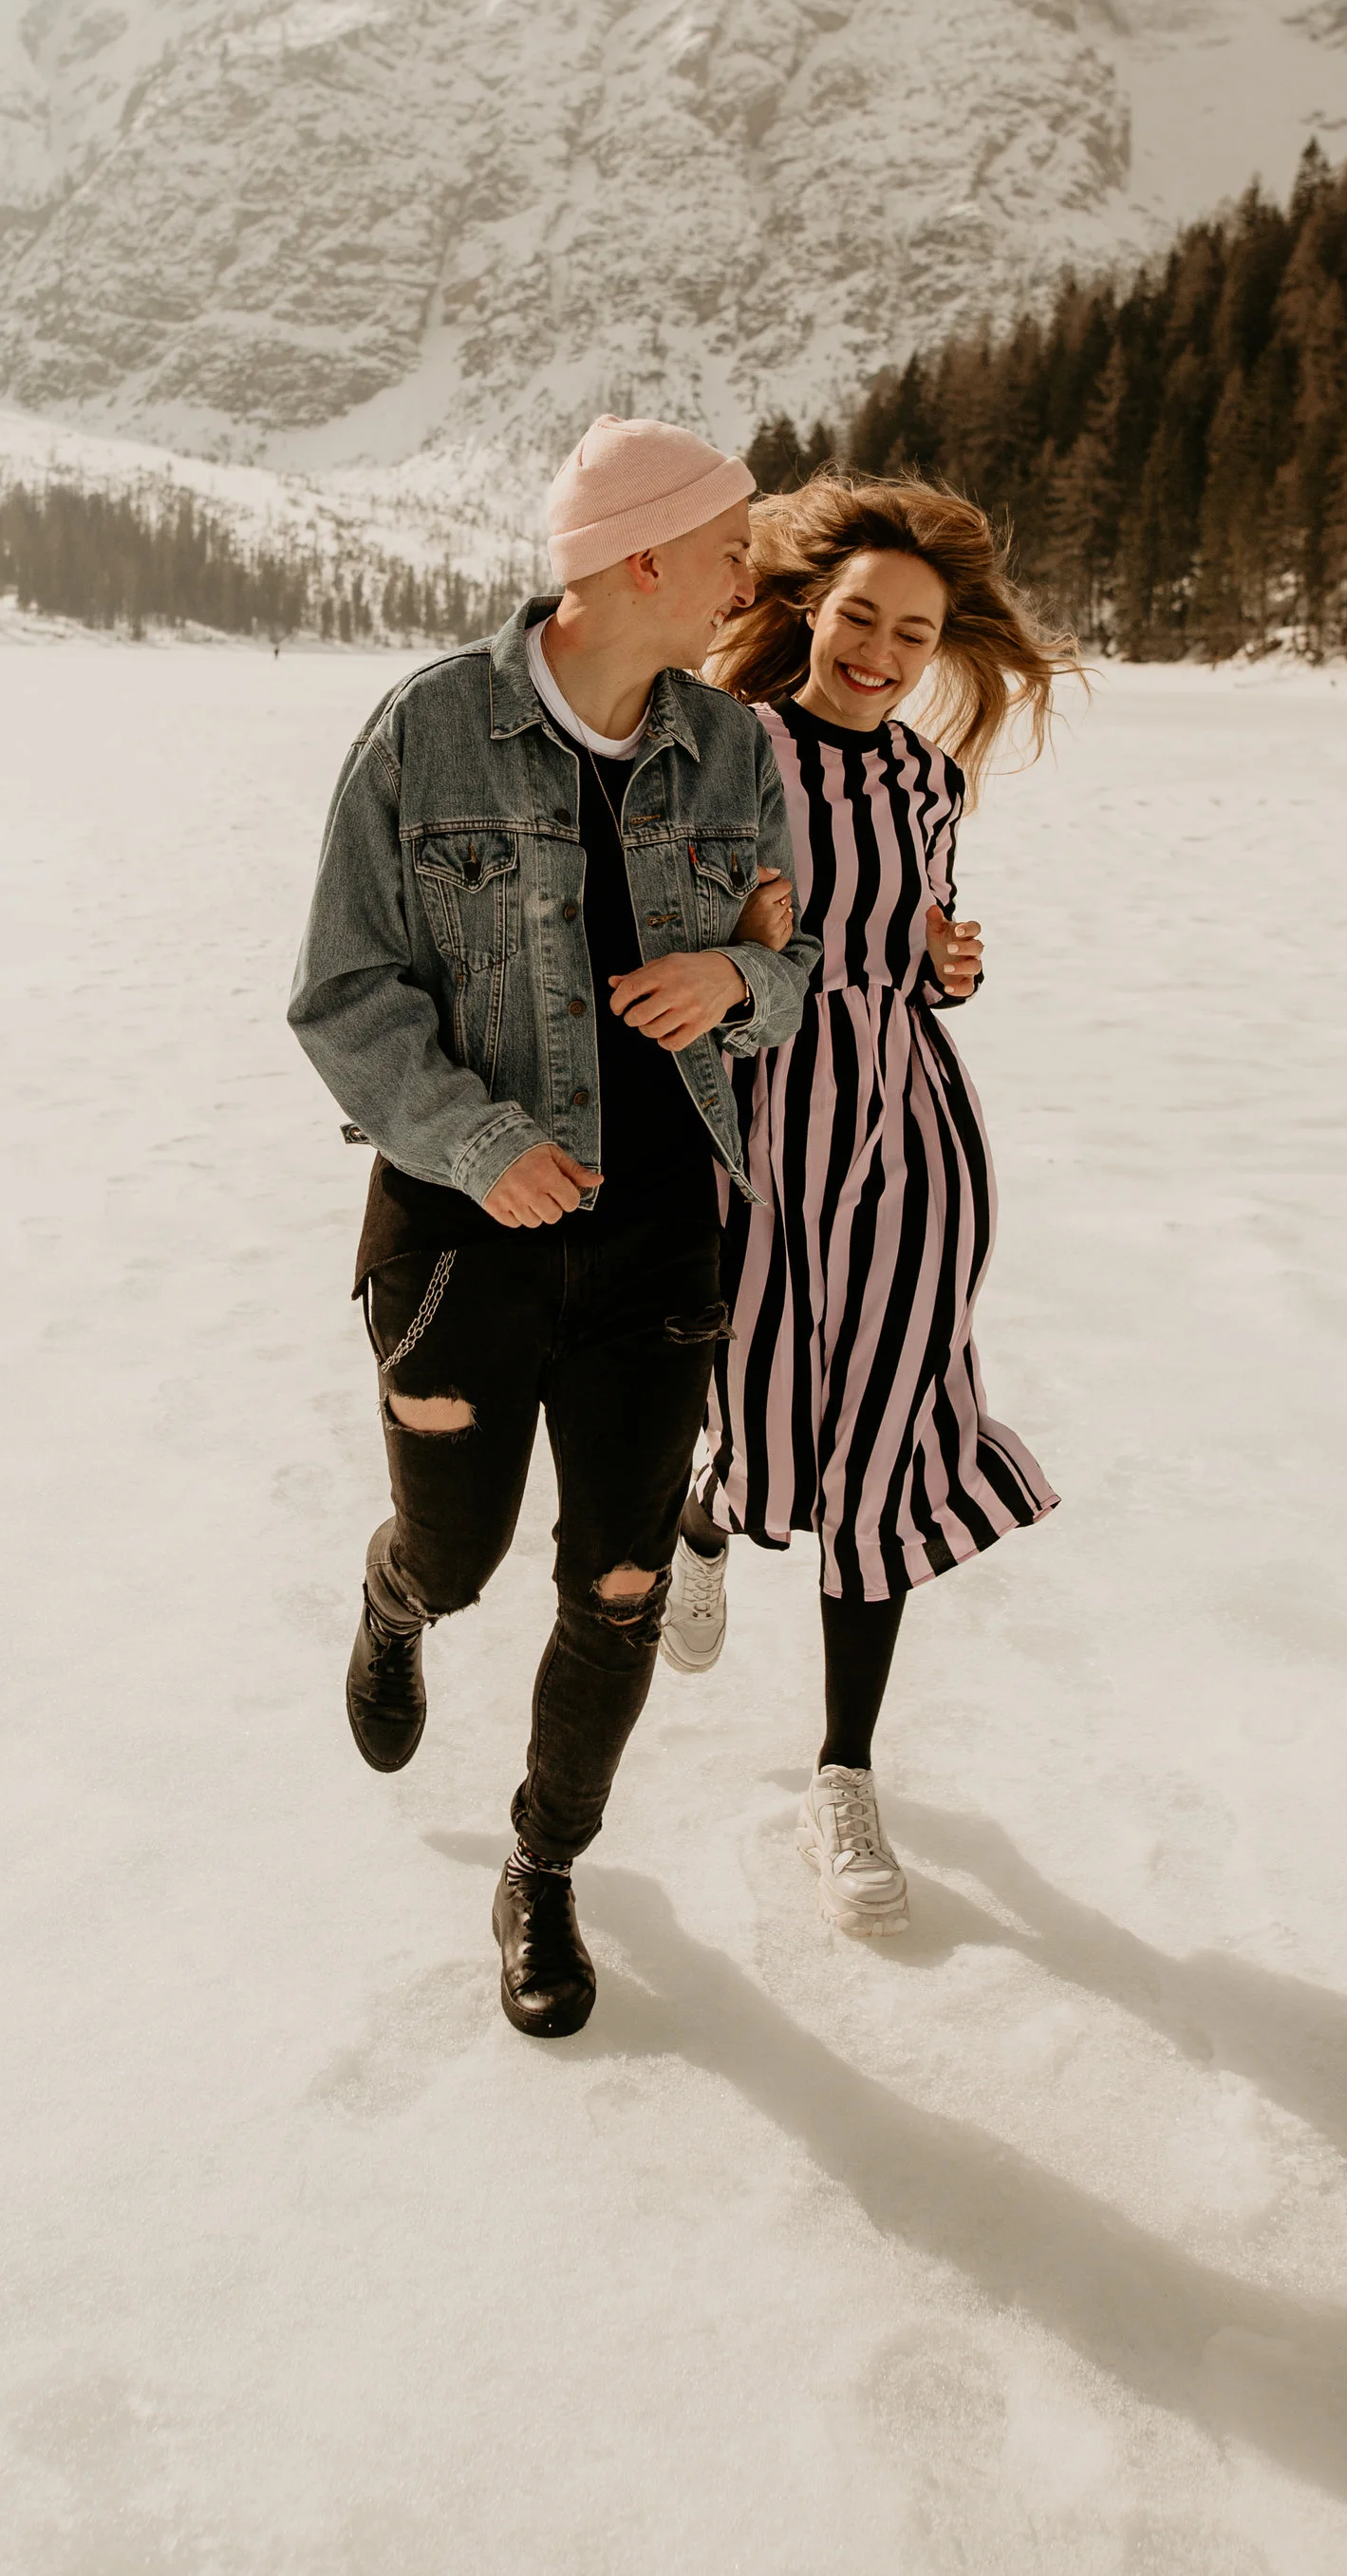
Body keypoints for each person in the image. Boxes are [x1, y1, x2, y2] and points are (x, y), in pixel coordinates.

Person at [288, 418, 817, 2039]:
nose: (752, 574)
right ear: (643, 559)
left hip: (664, 1239)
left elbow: (787, 967)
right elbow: (344, 995)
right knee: (464, 1549)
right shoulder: (425, 734)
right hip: (466, 1235)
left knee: (619, 1581)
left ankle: (545, 1863)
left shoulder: (737, 753)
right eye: (732, 546)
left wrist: (741, 978)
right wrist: (478, 1133)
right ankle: (400, 1597)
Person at [666, 474, 1073, 1933]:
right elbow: (682, 932)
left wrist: (953, 965)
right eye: (860, 619)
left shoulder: (928, 779)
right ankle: (707, 1511)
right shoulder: (731, 746)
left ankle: (844, 1769)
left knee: (888, 1451)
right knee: (763, 1407)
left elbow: (919, 943)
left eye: (914, 631)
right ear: (806, 611)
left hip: (905, 1139)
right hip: (757, 1130)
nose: (884, 654)